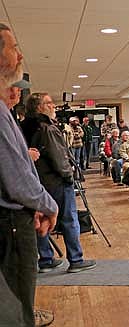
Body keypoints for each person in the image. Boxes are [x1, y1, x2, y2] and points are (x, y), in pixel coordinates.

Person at [0, 23, 59, 327]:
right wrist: (48, 204)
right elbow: (16, 177)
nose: (20, 55)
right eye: (12, 47)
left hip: (16, 216)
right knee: (15, 312)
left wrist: (34, 203)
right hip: (10, 224)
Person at [21, 92, 98, 276]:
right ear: (39, 107)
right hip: (56, 181)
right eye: (49, 103)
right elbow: (58, 156)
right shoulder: (47, 128)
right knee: (69, 219)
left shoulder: (25, 126)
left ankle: (46, 259)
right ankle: (76, 260)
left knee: (41, 220)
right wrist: (69, 176)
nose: (53, 106)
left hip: (38, 181)